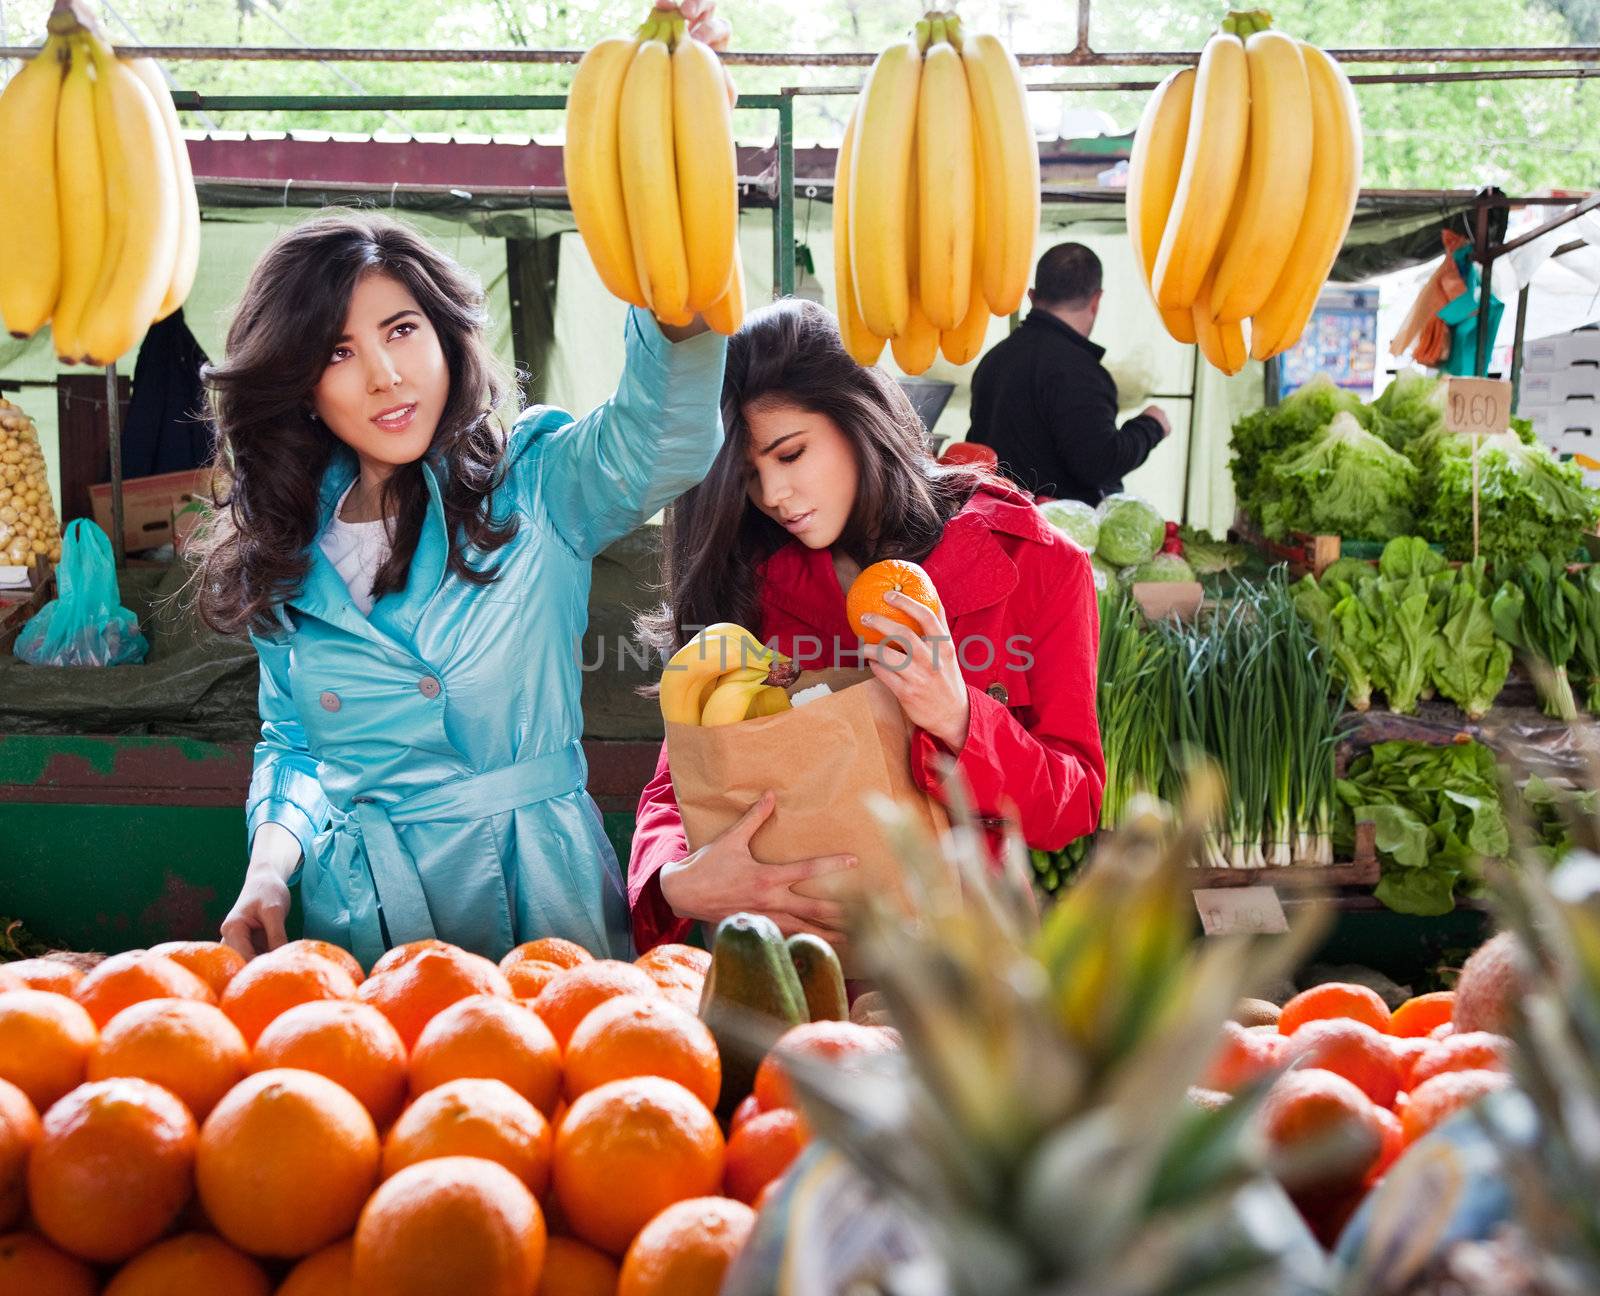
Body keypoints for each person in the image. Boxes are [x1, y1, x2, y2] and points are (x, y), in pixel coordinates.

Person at [199, 200, 728, 967]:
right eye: (338, 353)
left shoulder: (540, 485)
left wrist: (677, 303)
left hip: (539, 895)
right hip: (363, 915)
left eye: (401, 330)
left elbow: (661, 440)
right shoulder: (285, 550)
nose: (385, 377)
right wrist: (269, 872)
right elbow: (295, 745)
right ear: (300, 382)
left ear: (446, 337)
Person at [627, 299, 1105, 953]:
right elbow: (681, 774)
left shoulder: (1040, 565)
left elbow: (1073, 805)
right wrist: (672, 882)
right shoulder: (755, 573)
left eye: (790, 455)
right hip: (794, 965)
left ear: (858, 418)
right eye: (749, 478)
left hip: (968, 974)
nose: (774, 497)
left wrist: (961, 716)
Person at [966, 242, 1170, 504]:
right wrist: (1151, 426)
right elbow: (1099, 464)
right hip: (1053, 537)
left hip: (994, 525)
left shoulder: (994, 360)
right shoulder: (1081, 373)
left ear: (1031, 295)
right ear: (1096, 301)